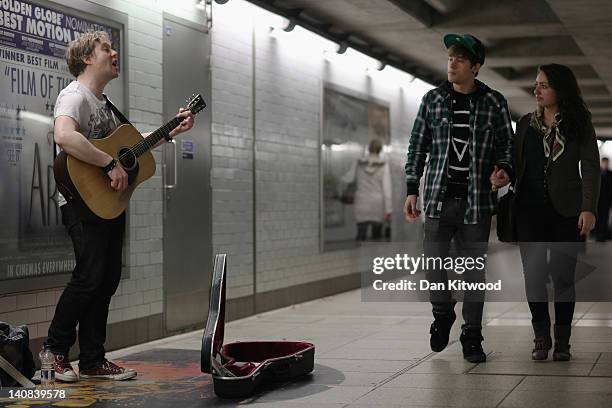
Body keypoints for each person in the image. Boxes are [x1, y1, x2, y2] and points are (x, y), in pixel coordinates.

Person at [45, 31, 194, 381]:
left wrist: (171, 130)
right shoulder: (75, 95)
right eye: (106, 48)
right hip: (82, 202)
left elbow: (128, 148)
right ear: (86, 57)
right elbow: (64, 136)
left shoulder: (104, 104)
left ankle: (94, 360)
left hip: (108, 204)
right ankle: (54, 350)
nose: (115, 53)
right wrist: (107, 164)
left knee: (107, 278)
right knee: (89, 276)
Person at [404, 33, 514, 363]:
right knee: (434, 268)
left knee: (473, 272)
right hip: (437, 201)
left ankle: (472, 336)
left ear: (475, 67)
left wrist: (504, 169)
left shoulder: (494, 102)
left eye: (460, 59)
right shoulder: (432, 100)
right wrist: (412, 188)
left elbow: (506, 146)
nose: (452, 63)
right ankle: (442, 313)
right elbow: (417, 146)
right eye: (450, 58)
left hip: (476, 204)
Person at [512, 64, 599, 361]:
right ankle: (541, 338)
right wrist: (502, 174)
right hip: (529, 211)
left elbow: (589, 167)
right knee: (533, 276)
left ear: (560, 89)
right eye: (536, 84)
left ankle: (562, 341)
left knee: (564, 277)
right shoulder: (525, 124)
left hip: (567, 211)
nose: (536, 90)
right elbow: (516, 165)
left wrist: (588, 207)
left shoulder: (579, 123)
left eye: (544, 85)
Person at [342, 139, 392, 241]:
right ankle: (373, 256)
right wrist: (389, 210)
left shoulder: (359, 162)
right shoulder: (383, 165)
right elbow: (387, 189)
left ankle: (360, 255)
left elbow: (349, 178)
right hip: (377, 204)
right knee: (376, 237)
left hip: (361, 201)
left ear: (369, 149)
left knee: (361, 234)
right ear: (380, 150)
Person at [595, 157, 612, 241]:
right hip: (598, 200)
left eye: (607, 163)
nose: (605, 164)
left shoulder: (610, 174)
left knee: (604, 218)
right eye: (604, 163)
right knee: (598, 217)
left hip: (607, 201)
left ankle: (602, 235)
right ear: (601, 163)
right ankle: (597, 234)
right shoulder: (597, 173)